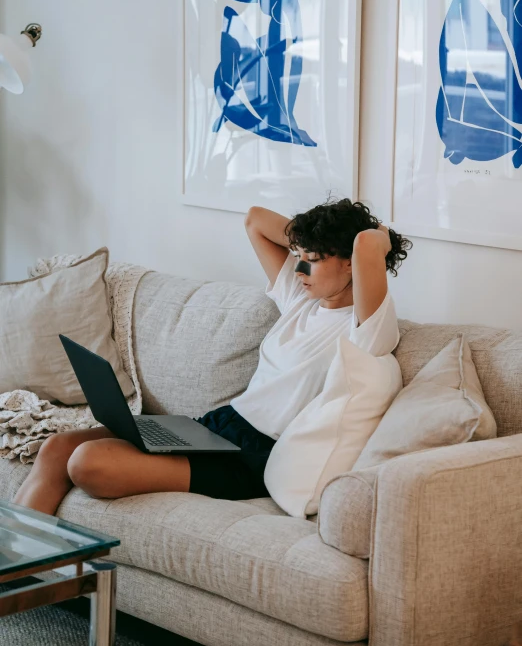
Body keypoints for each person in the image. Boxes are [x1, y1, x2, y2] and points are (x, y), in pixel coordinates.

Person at [13, 195, 412, 516]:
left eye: (314, 258)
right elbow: (255, 219)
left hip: (252, 458)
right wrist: (312, 238)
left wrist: (379, 235)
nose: (300, 267)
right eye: (299, 254)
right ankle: (13, 571)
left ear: (349, 264)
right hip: (219, 426)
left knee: (88, 463)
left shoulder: (366, 327)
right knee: (57, 448)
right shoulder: (300, 298)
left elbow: (363, 245)